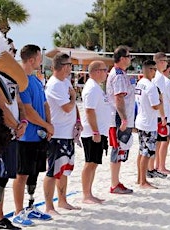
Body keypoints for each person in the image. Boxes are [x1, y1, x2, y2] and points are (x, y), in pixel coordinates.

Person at [13, 44, 53, 225]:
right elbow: (27, 111)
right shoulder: (22, 81)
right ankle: (18, 211)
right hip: (25, 137)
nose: (41, 60)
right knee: (22, 174)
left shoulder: (36, 79)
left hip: (39, 135)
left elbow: (44, 104)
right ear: (31, 59)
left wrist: (48, 126)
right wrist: (46, 125)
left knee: (34, 173)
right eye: (39, 57)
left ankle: (30, 207)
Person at [0, 38, 26, 230]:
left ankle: (0, 218)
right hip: (1, 133)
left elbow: (18, 103)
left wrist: (23, 122)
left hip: (14, 131)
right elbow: (1, 108)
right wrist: (16, 124)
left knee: (6, 175)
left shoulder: (12, 76)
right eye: (10, 49)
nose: (13, 53)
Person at [44, 53, 81, 215]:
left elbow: (73, 107)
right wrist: (73, 97)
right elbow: (67, 106)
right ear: (64, 66)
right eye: (70, 65)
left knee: (64, 170)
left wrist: (78, 121)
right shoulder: (55, 84)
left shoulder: (65, 82)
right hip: (57, 133)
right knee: (52, 171)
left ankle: (62, 200)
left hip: (67, 132)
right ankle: (49, 206)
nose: (71, 68)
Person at [81, 61, 112, 203]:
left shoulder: (96, 87)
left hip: (98, 131)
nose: (107, 73)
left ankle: (89, 193)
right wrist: (95, 132)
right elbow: (89, 110)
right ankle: (86, 195)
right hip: (92, 133)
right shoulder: (92, 88)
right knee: (90, 163)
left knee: (94, 163)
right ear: (97, 71)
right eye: (105, 70)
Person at [106, 45, 134, 194]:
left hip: (122, 116)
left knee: (121, 149)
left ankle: (116, 182)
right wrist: (123, 119)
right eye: (129, 56)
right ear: (122, 58)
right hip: (118, 117)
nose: (130, 59)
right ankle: (114, 184)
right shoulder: (118, 74)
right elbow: (119, 98)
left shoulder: (121, 73)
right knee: (117, 149)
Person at [135, 60, 161, 189]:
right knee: (146, 152)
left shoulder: (140, 83)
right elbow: (155, 105)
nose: (156, 72)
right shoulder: (151, 86)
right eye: (155, 69)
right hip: (148, 123)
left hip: (141, 120)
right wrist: (161, 100)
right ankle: (143, 181)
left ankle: (140, 178)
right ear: (150, 70)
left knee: (141, 151)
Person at [147, 52, 167, 179]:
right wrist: (163, 116)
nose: (166, 63)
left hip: (155, 113)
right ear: (159, 62)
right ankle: (152, 168)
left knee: (157, 144)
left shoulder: (158, 76)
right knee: (155, 144)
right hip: (157, 114)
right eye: (165, 61)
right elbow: (159, 98)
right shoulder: (159, 77)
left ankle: (154, 167)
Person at [157, 59, 170, 174]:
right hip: (167, 115)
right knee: (164, 141)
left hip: (161, 114)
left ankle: (158, 165)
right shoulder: (167, 81)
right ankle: (161, 166)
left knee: (160, 142)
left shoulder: (158, 79)